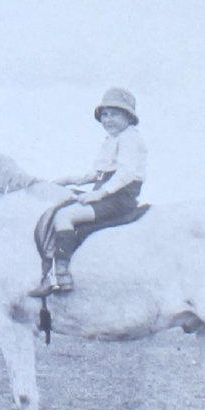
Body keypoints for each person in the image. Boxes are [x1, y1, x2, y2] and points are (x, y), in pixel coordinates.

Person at [29, 87, 147, 297]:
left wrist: (98, 195)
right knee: (62, 202)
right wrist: (68, 180)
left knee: (65, 215)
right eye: (105, 114)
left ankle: (61, 273)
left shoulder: (131, 139)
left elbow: (126, 174)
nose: (108, 119)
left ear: (129, 117)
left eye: (115, 114)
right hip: (108, 193)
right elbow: (96, 173)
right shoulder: (111, 140)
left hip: (120, 198)